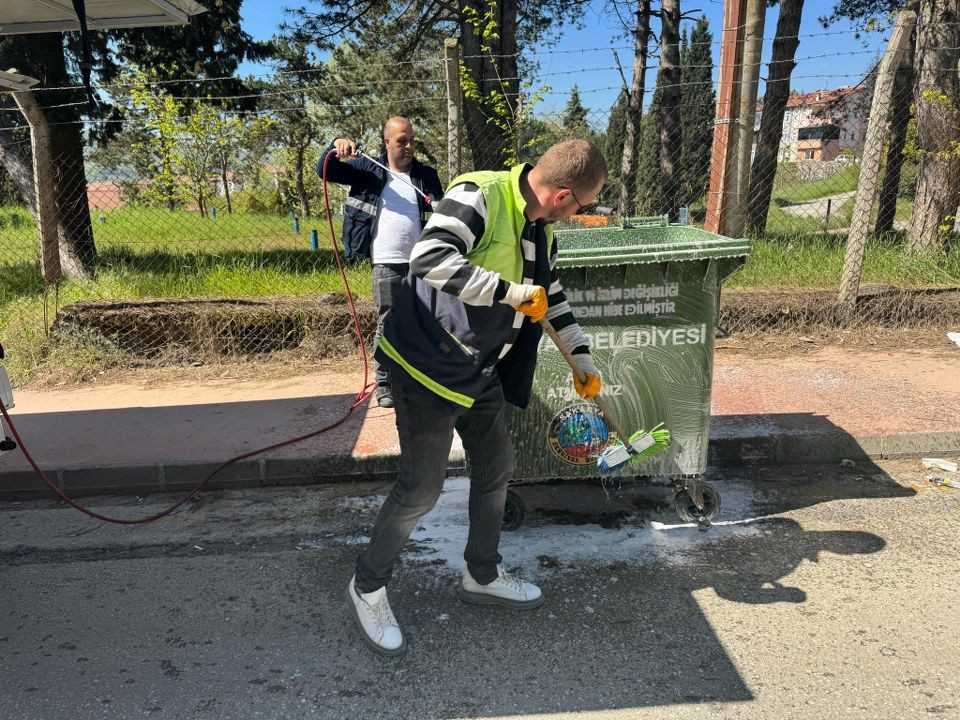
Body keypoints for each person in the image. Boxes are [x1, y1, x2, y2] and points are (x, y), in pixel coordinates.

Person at [346, 138, 608, 656]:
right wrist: (510, 293)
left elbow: (548, 296)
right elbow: (429, 257)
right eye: (583, 204)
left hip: (478, 366)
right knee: (421, 489)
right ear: (561, 196)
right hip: (423, 366)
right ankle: (368, 585)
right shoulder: (480, 196)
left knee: (496, 468)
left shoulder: (540, 229)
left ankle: (482, 574)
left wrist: (581, 357)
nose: (582, 213)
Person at [317, 116, 444, 408]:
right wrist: (335, 145)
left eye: (412, 139)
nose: (409, 146)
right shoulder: (368, 170)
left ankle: (418, 379)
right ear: (387, 142)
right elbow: (324, 170)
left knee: (425, 321)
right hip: (386, 262)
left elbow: (442, 214)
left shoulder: (427, 176)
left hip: (422, 264)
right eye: (402, 140)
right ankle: (385, 380)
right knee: (389, 321)